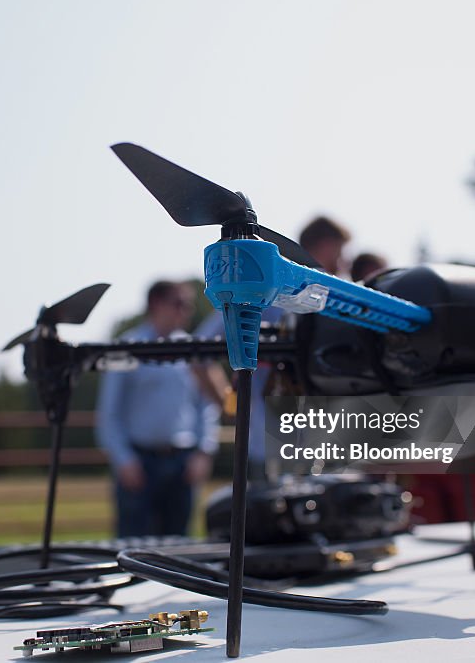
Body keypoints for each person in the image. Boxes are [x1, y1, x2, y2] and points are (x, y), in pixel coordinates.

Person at [196, 216, 353, 480]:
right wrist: (232, 406)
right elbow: (200, 352)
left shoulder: (333, 301)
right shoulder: (269, 290)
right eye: (339, 253)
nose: (343, 263)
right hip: (274, 450)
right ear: (323, 247)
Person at [96, 280, 219, 537]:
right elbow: (109, 412)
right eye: (178, 303)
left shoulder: (191, 348)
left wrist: (204, 451)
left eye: (187, 305)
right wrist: (124, 460)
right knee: (132, 547)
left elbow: (206, 405)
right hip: (140, 462)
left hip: (182, 463)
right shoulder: (126, 347)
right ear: (155, 304)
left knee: (178, 547)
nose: (185, 311)